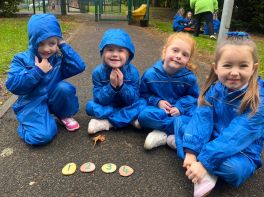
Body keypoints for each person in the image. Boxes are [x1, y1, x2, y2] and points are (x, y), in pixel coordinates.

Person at [180, 32, 264, 197]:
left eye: (242, 66)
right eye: (227, 65)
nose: (234, 72)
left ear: (253, 68)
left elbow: (237, 135)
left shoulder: (258, 99)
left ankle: (204, 168)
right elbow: (201, 119)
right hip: (213, 140)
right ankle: (189, 150)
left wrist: (204, 161)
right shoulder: (215, 89)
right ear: (216, 67)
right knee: (187, 130)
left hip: (242, 150)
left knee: (234, 171)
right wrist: (191, 152)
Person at [5, 14, 86, 145]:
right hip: (32, 102)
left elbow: (79, 66)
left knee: (64, 88)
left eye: (52, 43)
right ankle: (26, 125)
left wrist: (63, 45)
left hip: (52, 97)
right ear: (32, 41)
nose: (47, 49)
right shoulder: (21, 59)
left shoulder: (57, 58)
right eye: (40, 43)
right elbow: (13, 85)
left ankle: (63, 115)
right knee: (43, 136)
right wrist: (37, 71)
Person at [138, 32, 199, 150]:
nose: (179, 56)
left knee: (198, 115)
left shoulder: (189, 78)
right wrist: (157, 102)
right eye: (175, 50)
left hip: (180, 112)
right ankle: (176, 132)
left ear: (188, 59)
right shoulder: (150, 74)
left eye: (185, 54)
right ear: (165, 50)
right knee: (144, 116)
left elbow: (193, 97)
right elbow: (143, 94)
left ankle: (162, 132)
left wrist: (180, 108)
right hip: (159, 111)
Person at [86, 28, 146, 134]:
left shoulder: (133, 72)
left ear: (128, 55)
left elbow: (133, 100)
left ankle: (106, 123)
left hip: (127, 105)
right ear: (103, 53)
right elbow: (99, 99)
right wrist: (112, 87)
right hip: (108, 106)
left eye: (120, 50)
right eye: (110, 50)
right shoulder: (98, 72)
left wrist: (122, 86)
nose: (115, 54)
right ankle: (129, 119)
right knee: (90, 107)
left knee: (143, 103)